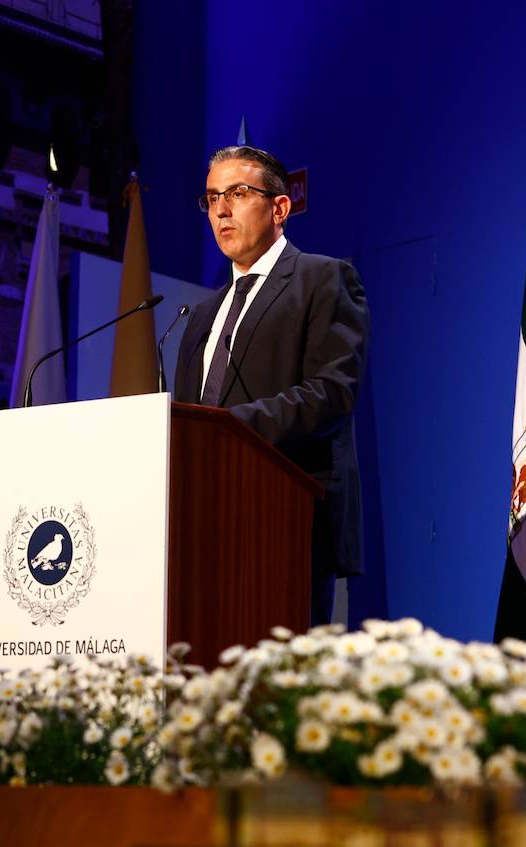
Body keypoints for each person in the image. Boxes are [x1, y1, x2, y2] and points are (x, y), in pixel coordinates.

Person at [173, 145, 370, 625]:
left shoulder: (323, 279)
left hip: (286, 520)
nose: (221, 208)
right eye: (212, 197)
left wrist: (227, 430)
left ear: (280, 207)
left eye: (237, 193)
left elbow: (331, 393)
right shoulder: (201, 314)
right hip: (203, 526)